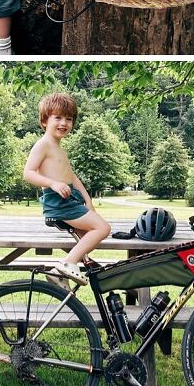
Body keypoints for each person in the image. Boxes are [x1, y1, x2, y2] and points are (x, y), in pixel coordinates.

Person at [24, 88, 112, 282]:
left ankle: (59, 278)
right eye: (58, 118)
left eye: (69, 119)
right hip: (59, 203)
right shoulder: (43, 144)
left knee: (88, 238)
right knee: (103, 228)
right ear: (45, 120)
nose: (64, 123)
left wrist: (88, 201)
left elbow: (73, 178)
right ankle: (67, 264)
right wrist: (53, 183)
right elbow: (28, 173)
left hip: (70, 200)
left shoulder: (59, 148)